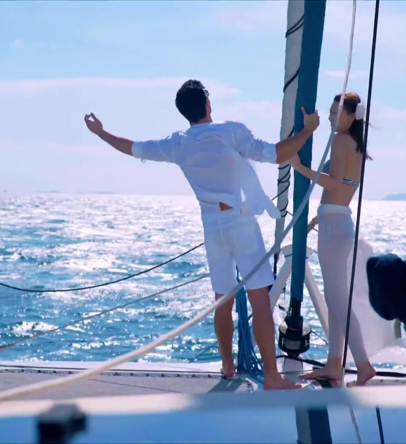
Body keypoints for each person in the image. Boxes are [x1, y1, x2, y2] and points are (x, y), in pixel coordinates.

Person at [84, 79, 319, 390]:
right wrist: (307, 131)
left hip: (212, 227)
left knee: (222, 301)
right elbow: (276, 154)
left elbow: (133, 148)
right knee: (260, 301)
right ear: (208, 104)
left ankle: (228, 366)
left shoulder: (178, 143)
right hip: (241, 223)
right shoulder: (231, 131)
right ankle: (272, 377)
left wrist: (101, 133)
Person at [288, 92, 377, 386]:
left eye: (335, 113)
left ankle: (362, 364)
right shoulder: (355, 144)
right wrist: (316, 219)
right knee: (335, 296)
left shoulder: (340, 141)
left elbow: (334, 183)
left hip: (334, 228)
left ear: (352, 116)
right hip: (337, 222)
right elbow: (341, 190)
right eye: (329, 112)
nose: (330, 118)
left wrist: (299, 168)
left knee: (337, 298)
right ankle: (334, 364)